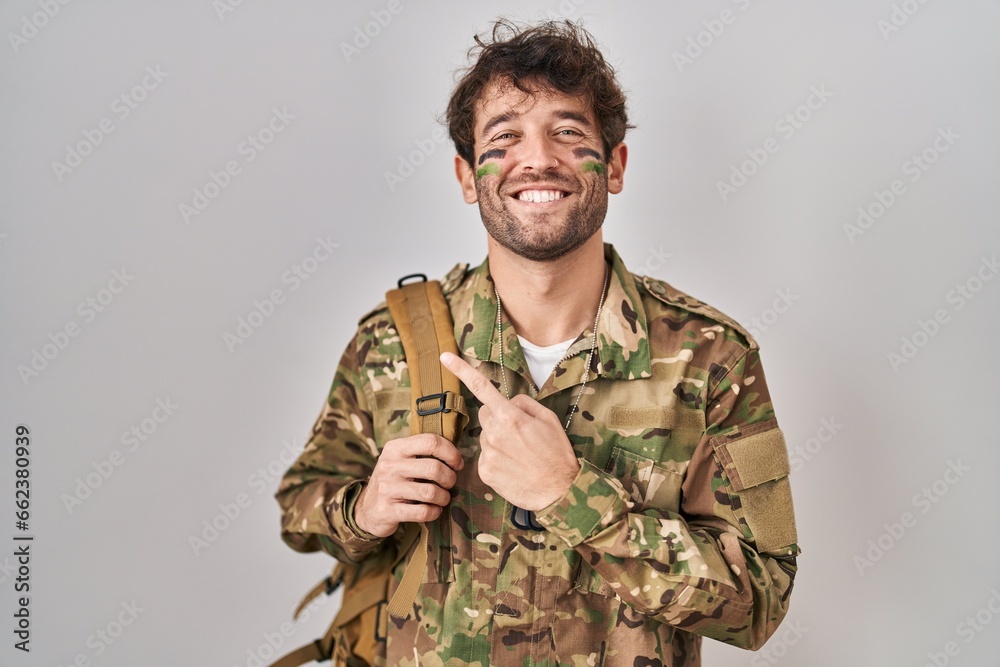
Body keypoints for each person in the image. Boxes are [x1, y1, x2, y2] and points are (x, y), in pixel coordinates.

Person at [275, 18, 799, 666]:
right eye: (505, 136)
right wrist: (365, 507)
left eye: (568, 132)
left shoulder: (711, 358)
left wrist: (572, 494)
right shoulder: (392, 344)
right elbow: (299, 508)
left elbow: (761, 599)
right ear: (468, 176)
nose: (538, 158)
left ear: (615, 166)